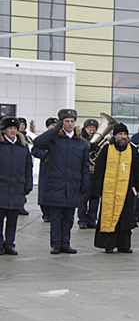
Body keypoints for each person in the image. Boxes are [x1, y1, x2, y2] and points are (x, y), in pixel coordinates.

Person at [33, 109, 90, 255]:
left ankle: (66, 243)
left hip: (73, 184)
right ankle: (55, 244)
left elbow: (84, 166)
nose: (70, 124)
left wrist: (84, 185)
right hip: (56, 184)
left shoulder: (81, 143)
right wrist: (55, 129)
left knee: (69, 217)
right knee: (56, 217)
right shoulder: (54, 140)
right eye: (66, 121)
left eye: (72, 121)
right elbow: (37, 143)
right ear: (61, 123)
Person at [90, 123, 139, 253]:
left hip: (126, 191)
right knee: (108, 216)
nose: (123, 137)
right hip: (109, 191)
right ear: (114, 136)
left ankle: (124, 245)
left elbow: (138, 170)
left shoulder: (132, 150)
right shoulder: (106, 149)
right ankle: (108, 245)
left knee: (125, 219)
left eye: (125, 134)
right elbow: (99, 171)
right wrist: (96, 191)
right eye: (120, 134)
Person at [0, 117, 33, 255]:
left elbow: (28, 167)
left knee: (13, 219)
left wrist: (28, 185)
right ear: (4, 130)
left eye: (15, 128)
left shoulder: (23, 146)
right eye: (10, 128)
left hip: (16, 187)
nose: (13, 131)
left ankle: (9, 244)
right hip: (1, 186)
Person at [31, 117, 58, 222]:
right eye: (52, 126)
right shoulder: (43, 138)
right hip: (46, 168)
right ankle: (45, 213)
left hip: (57, 169)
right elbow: (35, 151)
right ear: (48, 127)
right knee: (44, 191)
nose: (54, 128)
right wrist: (46, 155)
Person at [78, 118, 100, 229]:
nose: (91, 130)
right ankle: (82, 219)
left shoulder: (100, 141)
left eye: (94, 128)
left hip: (96, 173)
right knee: (83, 197)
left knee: (95, 197)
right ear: (84, 129)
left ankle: (92, 219)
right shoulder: (80, 140)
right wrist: (90, 146)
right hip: (84, 173)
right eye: (89, 128)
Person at [17, 117, 30, 216]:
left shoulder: (26, 137)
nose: (22, 126)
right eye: (20, 124)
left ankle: (21, 205)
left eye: (23, 125)